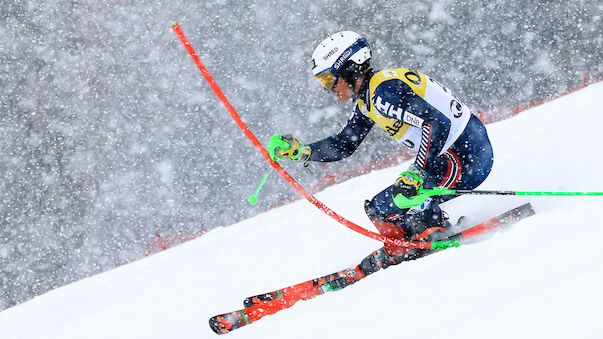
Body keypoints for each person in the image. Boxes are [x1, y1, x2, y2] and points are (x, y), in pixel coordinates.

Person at [268, 31, 494, 282]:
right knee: (379, 209)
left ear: (348, 68)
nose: (328, 89)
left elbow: (436, 123)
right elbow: (345, 144)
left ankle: (430, 231)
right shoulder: (368, 99)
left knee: (403, 195)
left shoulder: (384, 91)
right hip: (449, 157)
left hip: (467, 155)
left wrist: (418, 172)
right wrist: (302, 151)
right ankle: (407, 243)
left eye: (328, 79)